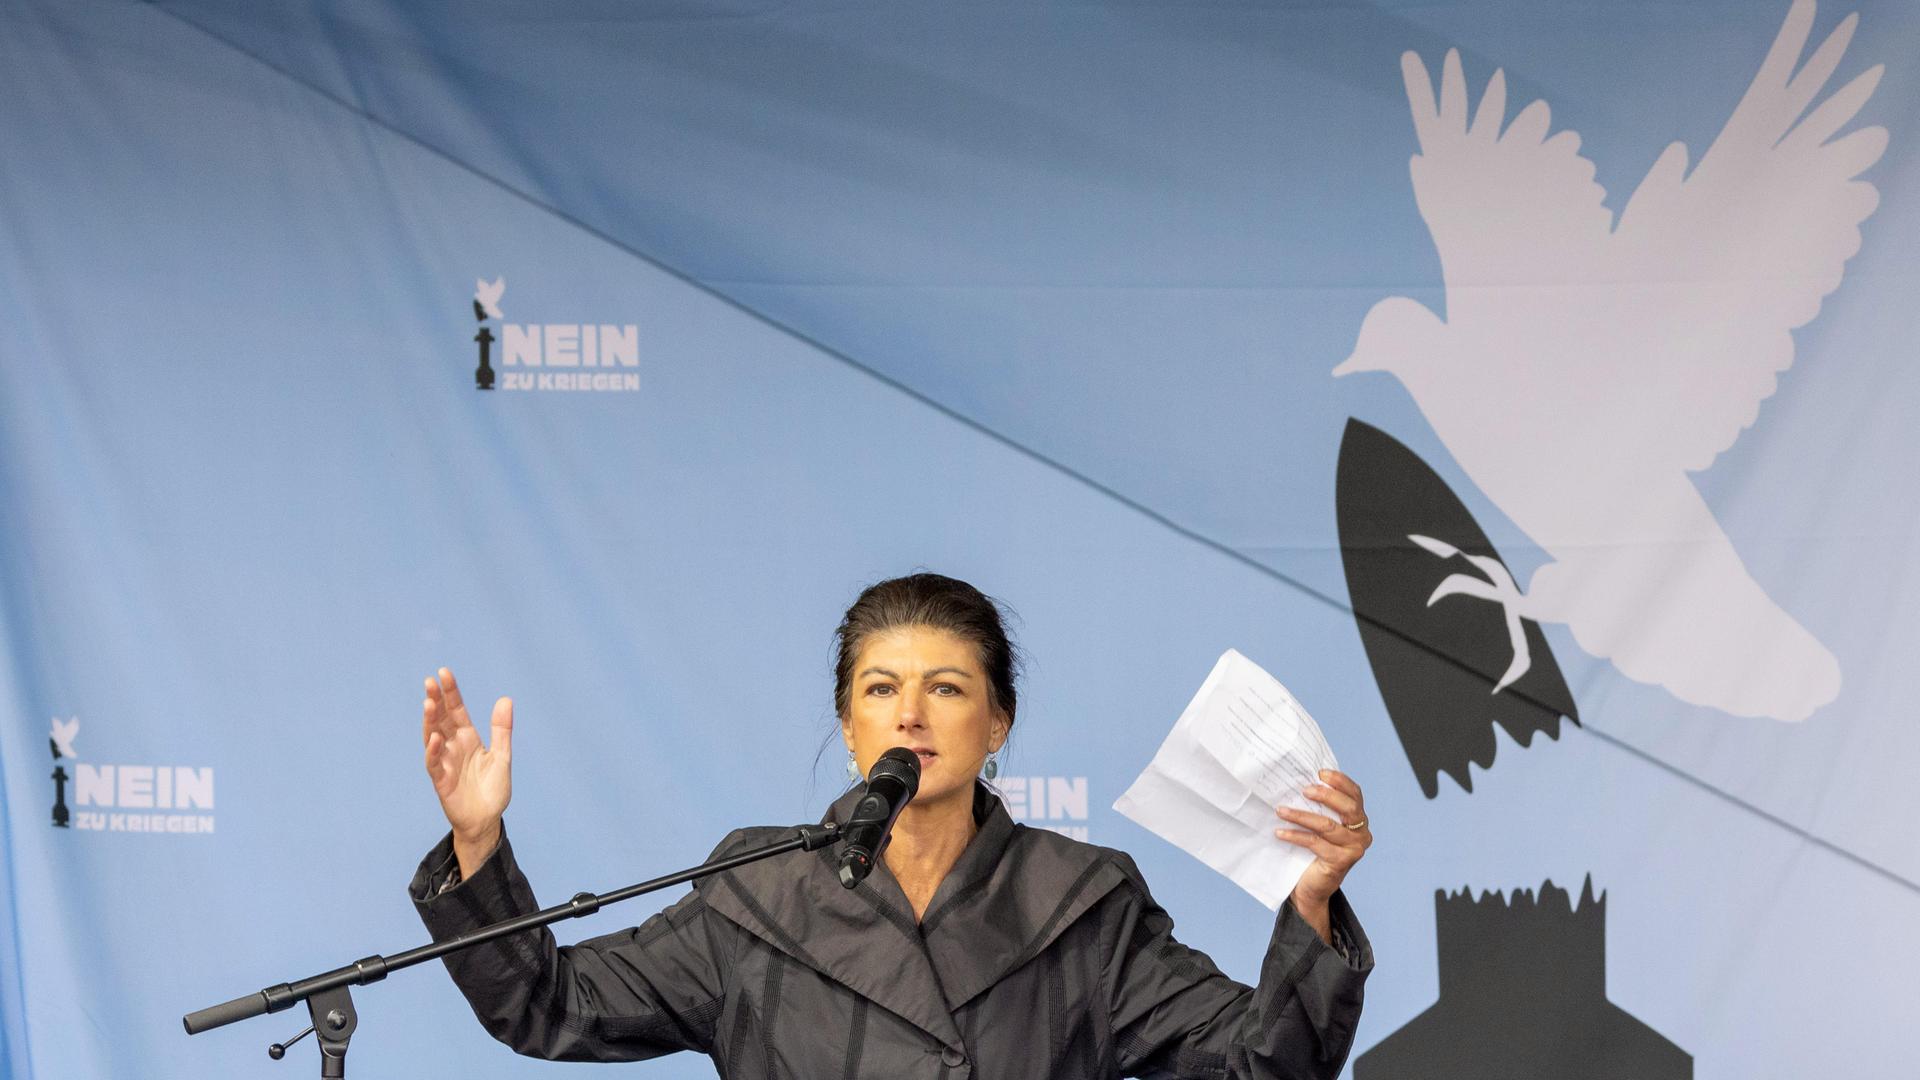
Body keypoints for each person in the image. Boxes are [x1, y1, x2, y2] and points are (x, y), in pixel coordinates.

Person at [411, 573, 1373, 1078]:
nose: (911, 713)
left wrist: (1314, 901)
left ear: (996, 726)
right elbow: (547, 1005)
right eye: (882, 689)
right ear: (850, 727)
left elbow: (1263, 1064)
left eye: (946, 688)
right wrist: (478, 844)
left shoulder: (1084, 904)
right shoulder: (758, 894)